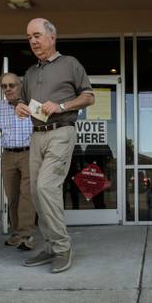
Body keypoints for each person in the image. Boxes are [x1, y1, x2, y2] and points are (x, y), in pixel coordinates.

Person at [15, 18, 94, 273]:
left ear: (52, 36)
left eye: (37, 35)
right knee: (37, 194)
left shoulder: (70, 63)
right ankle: (50, 245)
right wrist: (19, 106)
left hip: (61, 131)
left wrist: (61, 106)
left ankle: (62, 247)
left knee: (46, 187)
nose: (33, 41)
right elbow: (23, 101)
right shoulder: (30, 72)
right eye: (29, 37)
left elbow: (89, 96)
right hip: (36, 134)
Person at [0, 73, 36, 250]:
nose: (8, 89)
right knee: (12, 197)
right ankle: (18, 232)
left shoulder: (33, 105)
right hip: (8, 156)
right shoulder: (0, 107)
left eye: (12, 85)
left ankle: (26, 235)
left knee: (27, 195)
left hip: (29, 154)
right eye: (4, 86)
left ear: (20, 85)